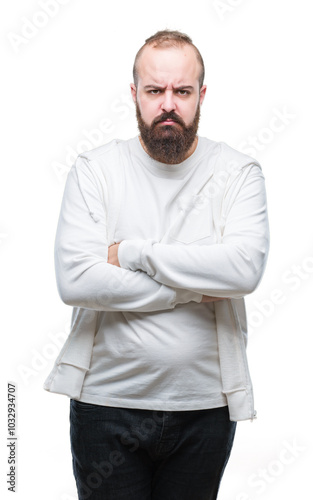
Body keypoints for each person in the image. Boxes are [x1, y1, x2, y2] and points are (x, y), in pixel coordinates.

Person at [44, 30, 269, 500]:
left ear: (201, 95)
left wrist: (131, 253)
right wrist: (193, 286)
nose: (169, 104)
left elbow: (243, 270)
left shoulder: (237, 173)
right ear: (134, 94)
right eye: (155, 91)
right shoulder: (96, 170)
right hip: (106, 406)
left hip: (204, 408)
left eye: (182, 91)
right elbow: (77, 280)